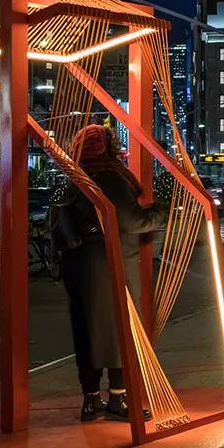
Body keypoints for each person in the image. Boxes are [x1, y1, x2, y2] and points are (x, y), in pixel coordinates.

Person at [56, 125, 159, 422]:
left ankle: (91, 401)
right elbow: (132, 221)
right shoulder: (109, 176)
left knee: (87, 331)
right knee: (120, 330)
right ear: (108, 148)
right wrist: (159, 213)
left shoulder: (75, 178)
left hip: (78, 265)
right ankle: (119, 399)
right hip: (110, 262)